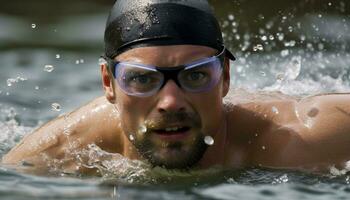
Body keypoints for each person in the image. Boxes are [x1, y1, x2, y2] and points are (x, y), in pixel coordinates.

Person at [2, 0, 350, 174]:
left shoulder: (304, 137)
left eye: (196, 76)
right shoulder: (55, 158)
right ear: (109, 83)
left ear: (225, 78)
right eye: (141, 79)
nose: (170, 101)